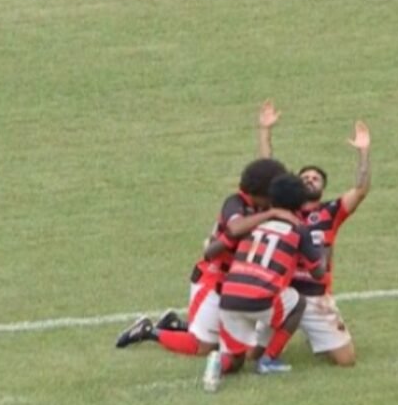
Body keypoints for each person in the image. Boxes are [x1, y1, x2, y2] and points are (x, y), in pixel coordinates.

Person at [115, 158, 298, 356]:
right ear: (260, 192)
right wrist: (271, 214)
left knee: (235, 343)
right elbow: (235, 228)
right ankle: (149, 331)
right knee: (203, 347)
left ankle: (175, 324)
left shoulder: (261, 204)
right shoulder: (235, 203)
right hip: (213, 280)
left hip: (240, 284)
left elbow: (268, 166)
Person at [257, 100, 371, 366]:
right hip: (283, 293)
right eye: (304, 177)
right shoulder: (283, 206)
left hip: (316, 296)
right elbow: (266, 169)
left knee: (346, 360)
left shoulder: (332, 212)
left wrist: (363, 152)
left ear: (323, 187)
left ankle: (314, 333)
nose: (309, 179)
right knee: (251, 355)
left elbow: (361, 189)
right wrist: (265, 131)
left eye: (315, 178)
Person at [205, 173, 325, 375]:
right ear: (301, 202)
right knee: (298, 303)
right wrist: (320, 248)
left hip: (229, 298)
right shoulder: (299, 230)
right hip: (259, 301)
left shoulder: (251, 224)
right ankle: (269, 359)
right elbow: (319, 273)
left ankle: (218, 364)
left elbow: (210, 252)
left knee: (235, 362)